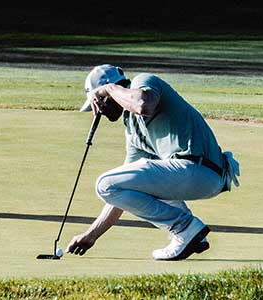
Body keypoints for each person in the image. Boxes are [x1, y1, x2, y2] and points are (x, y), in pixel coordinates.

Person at [66, 64, 240, 260]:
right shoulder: (132, 129)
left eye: (99, 103)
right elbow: (123, 190)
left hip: (197, 168)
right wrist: (91, 235)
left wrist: (107, 90)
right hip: (198, 175)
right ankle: (193, 237)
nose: (99, 112)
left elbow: (143, 105)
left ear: (110, 89)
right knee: (116, 185)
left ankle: (184, 228)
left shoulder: (144, 81)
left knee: (103, 184)